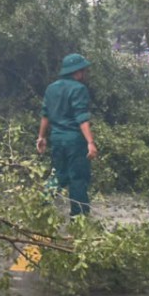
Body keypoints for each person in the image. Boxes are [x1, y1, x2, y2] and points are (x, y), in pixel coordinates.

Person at [37, 53, 97, 217]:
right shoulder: (79, 89)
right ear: (77, 72)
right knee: (78, 179)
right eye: (84, 70)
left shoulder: (51, 88)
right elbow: (81, 118)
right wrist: (90, 142)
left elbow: (45, 114)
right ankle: (79, 220)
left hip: (57, 140)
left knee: (60, 175)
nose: (85, 74)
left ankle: (38, 207)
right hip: (74, 142)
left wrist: (41, 137)